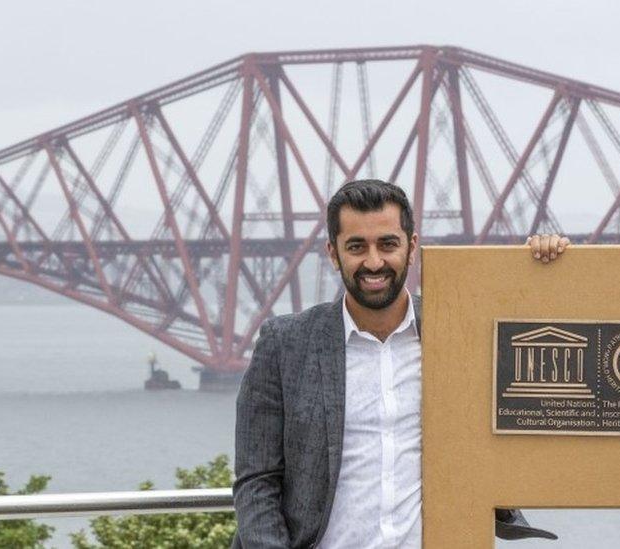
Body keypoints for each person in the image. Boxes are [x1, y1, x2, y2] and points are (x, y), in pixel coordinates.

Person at [233, 179, 568, 548]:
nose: (374, 262)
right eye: (356, 246)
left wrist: (545, 268)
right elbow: (257, 481)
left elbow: (546, 350)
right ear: (333, 253)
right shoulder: (284, 344)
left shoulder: (458, 333)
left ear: (411, 248)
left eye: (388, 244)